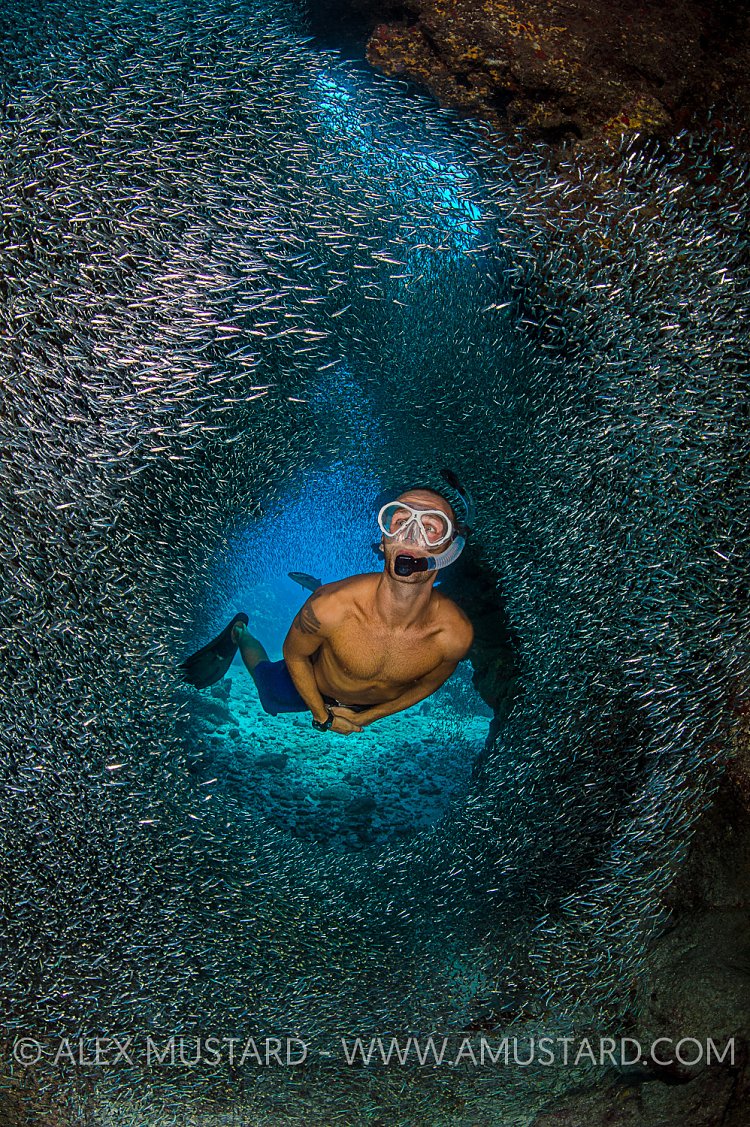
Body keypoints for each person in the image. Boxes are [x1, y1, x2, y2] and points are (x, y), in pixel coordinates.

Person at [179, 485, 474, 735]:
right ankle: (240, 632)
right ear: (384, 541)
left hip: (368, 705)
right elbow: (295, 653)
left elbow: (429, 683)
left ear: (451, 550)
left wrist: (367, 717)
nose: (410, 536)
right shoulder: (330, 604)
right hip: (311, 686)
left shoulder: (455, 634)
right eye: (399, 521)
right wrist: (323, 716)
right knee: (267, 693)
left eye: (431, 527)